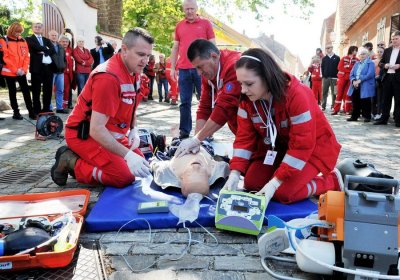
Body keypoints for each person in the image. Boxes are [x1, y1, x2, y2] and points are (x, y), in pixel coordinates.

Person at [223, 48, 343, 205]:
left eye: (249, 84)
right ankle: (282, 177)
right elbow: (244, 139)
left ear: (267, 77)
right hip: (278, 148)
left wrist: (275, 183)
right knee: (252, 183)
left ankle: (330, 181)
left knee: (284, 193)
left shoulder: (297, 95)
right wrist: (235, 173)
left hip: (313, 149)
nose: (243, 90)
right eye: (240, 84)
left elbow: (302, 145)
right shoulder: (246, 101)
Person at [51, 27, 154, 188]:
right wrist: (127, 155)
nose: (145, 61)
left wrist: (133, 129)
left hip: (111, 132)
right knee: (124, 177)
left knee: (142, 166)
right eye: (141, 55)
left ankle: (88, 159)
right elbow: (96, 130)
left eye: (148, 55)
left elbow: (132, 103)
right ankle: (71, 161)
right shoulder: (108, 77)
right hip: (84, 135)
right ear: (124, 50)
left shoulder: (135, 71)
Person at [174, 39, 242, 157]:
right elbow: (204, 107)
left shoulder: (234, 66)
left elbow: (225, 109)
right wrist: (196, 141)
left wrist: (197, 139)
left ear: (214, 56)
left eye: (200, 67)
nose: (199, 73)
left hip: (260, 133)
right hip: (243, 134)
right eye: (196, 68)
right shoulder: (210, 74)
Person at [170, 0, 216, 139]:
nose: (189, 11)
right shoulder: (179, 26)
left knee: (206, 101)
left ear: (196, 9)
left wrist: (214, 66)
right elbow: (175, 47)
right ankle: (184, 131)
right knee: (184, 102)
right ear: (183, 9)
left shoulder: (206, 23)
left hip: (202, 69)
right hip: (183, 69)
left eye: (191, 8)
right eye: (186, 9)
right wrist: (172, 67)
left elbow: (213, 46)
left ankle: (207, 132)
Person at [152, 143, 229, 197]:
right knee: (206, 142)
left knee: (174, 144)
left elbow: (156, 166)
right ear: (208, 177)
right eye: (201, 173)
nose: (196, 167)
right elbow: (227, 166)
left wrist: (152, 162)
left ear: (181, 178)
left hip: (179, 149)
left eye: (190, 172)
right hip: (204, 148)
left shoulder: (171, 171)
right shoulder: (215, 170)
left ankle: (176, 136)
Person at [0, 22, 35, 120]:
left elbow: (26, 57)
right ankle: (16, 112)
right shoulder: (4, 40)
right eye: (16, 32)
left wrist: (23, 69)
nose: (18, 34)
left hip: (21, 72)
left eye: (19, 32)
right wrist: (15, 70)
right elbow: (5, 57)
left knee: (26, 92)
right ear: (11, 30)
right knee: (12, 92)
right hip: (9, 72)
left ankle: (31, 112)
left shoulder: (23, 40)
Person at [25, 22, 55, 114]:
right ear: (32, 28)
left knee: (48, 89)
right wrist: (46, 49)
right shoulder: (29, 39)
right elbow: (35, 47)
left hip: (48, 68)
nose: (37, 28)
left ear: (42, 29)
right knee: (36, 90)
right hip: (36, 68)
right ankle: (37, 110)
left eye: (39, 27)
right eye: (36, 27)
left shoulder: (46, 39)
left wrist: (43, 51)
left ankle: (46, 108)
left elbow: (53, 50)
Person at [374, 31, 400, 127]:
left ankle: (398, 120)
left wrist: (399, 66)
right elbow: (380, 63)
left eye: (396, 38)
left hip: (398, 78)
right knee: (386, 99)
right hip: (387, 77)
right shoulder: (388, 50)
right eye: (393, 39)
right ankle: (384, 118)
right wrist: (385, 65)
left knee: (398, 100)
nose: (394, 41)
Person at [346, 48, 375, 122]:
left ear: (367, 55)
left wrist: (360, 80)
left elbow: (370, 74)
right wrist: (353, 81)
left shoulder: (370, 63)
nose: (362, 55)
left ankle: (367, 117)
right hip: (355, 84)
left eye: (364, 54)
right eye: (361, 54)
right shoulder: (357, 63)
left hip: (365, 84)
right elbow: (351, 74)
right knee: (355, 101)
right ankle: (354, 116)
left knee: (365, 101)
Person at [332, 45, 358, 115]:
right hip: (342, 78)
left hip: (350, 79)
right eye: (355, 50)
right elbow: (339, 67)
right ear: (351, 50)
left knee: (348, 94)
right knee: (339, 94)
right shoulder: (344, 58)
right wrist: (350, 69)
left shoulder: (357, 60)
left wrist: (347, 67)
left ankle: (347, 110)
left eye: (356, 50)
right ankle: (336, 110)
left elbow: (356, 69)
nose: (356, 52)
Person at [48, 30, 68, 114]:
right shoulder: (47, 45)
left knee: (60, 90)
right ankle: (49, 108)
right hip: (50, 72)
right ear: (49, 36)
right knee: (49, 90)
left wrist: (64, 66)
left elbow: (64, 59)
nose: (54, 37)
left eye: (55, 35)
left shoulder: (60, 47)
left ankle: (59, 108)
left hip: (60, 72)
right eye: (52, 35)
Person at [321, 44, 340, 111]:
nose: (327, 49)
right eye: (326, 48)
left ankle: (333, 106)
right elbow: (322, 68)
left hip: (334, 78)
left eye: (328, 48)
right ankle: (323, 106)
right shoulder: (324, 58)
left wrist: (338, 76)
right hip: (326, 78)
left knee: (334, 92)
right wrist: (323, 76)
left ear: (332, 48)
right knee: (324, 92)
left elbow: (339, 68)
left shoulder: (337, 58)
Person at [59, 34, 75, 110]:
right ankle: (62, 105)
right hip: (62, 73)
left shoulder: (70, 50)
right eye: (63, 42)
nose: (65, 43)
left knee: (68, 89)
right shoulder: (58, 49)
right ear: (60, 42)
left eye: (66, 42)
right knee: (62, 89)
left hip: (70, 74)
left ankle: (67, 104)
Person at [372, 46, 385, 119]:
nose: (379, 53)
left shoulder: (385, 61)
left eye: (381, 52)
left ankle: (379, 113)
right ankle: (373, 112)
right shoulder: (373, 61)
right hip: (373, 81)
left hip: (381, 81)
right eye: (378, 52)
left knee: (380, 98)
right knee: (373, 98)